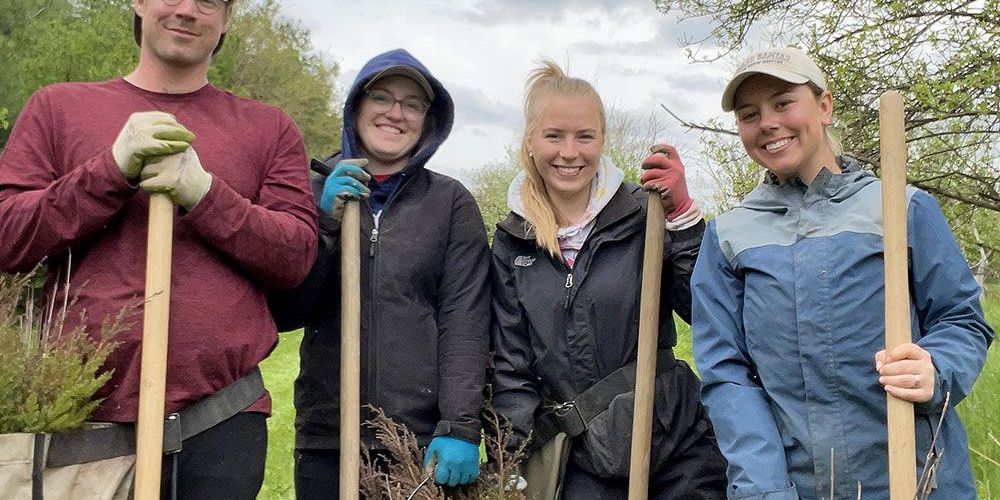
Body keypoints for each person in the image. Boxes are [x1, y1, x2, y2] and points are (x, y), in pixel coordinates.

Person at [0, 0, 318, 498]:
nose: (188, 10)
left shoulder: (269, 128)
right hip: (77, 420)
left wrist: (206, 196)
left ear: (228, 17)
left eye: (209, 1)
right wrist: (108, 171)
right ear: (139, 2)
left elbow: (296, 256)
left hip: (220, 421)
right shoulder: (58, 108)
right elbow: (7, 238)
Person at [691, 46, 995, 500]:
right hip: (795, 488)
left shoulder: (901, 208)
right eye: (749, 114)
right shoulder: (729, 236)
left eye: (783, 103)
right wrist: (763, 489)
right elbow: (727, 375)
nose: (767, 122)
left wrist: (938, 366)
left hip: (917, 482)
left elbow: (962, 321)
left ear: (825, 106)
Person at [489, 60, 727, 499]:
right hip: (581, 457)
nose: (569, 152)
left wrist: (683, 220)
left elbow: (703, 308)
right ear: (529, 140)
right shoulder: (512, 242)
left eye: (585, 136)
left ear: (602, 140)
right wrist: (512, 457)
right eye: (554, 135)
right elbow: (510, 364)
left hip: (673, 440)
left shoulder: (642, 214)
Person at [268, 48, 491, 497]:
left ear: (429, 120)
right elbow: (286, 310)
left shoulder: (450, 205)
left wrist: (460, 426)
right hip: (329, 437)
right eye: (382, 98)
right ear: (357, 107)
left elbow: (465, 322)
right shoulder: (308, 192)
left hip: (421, 441)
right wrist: (324, 221)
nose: (396, 113)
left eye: (412, 104)